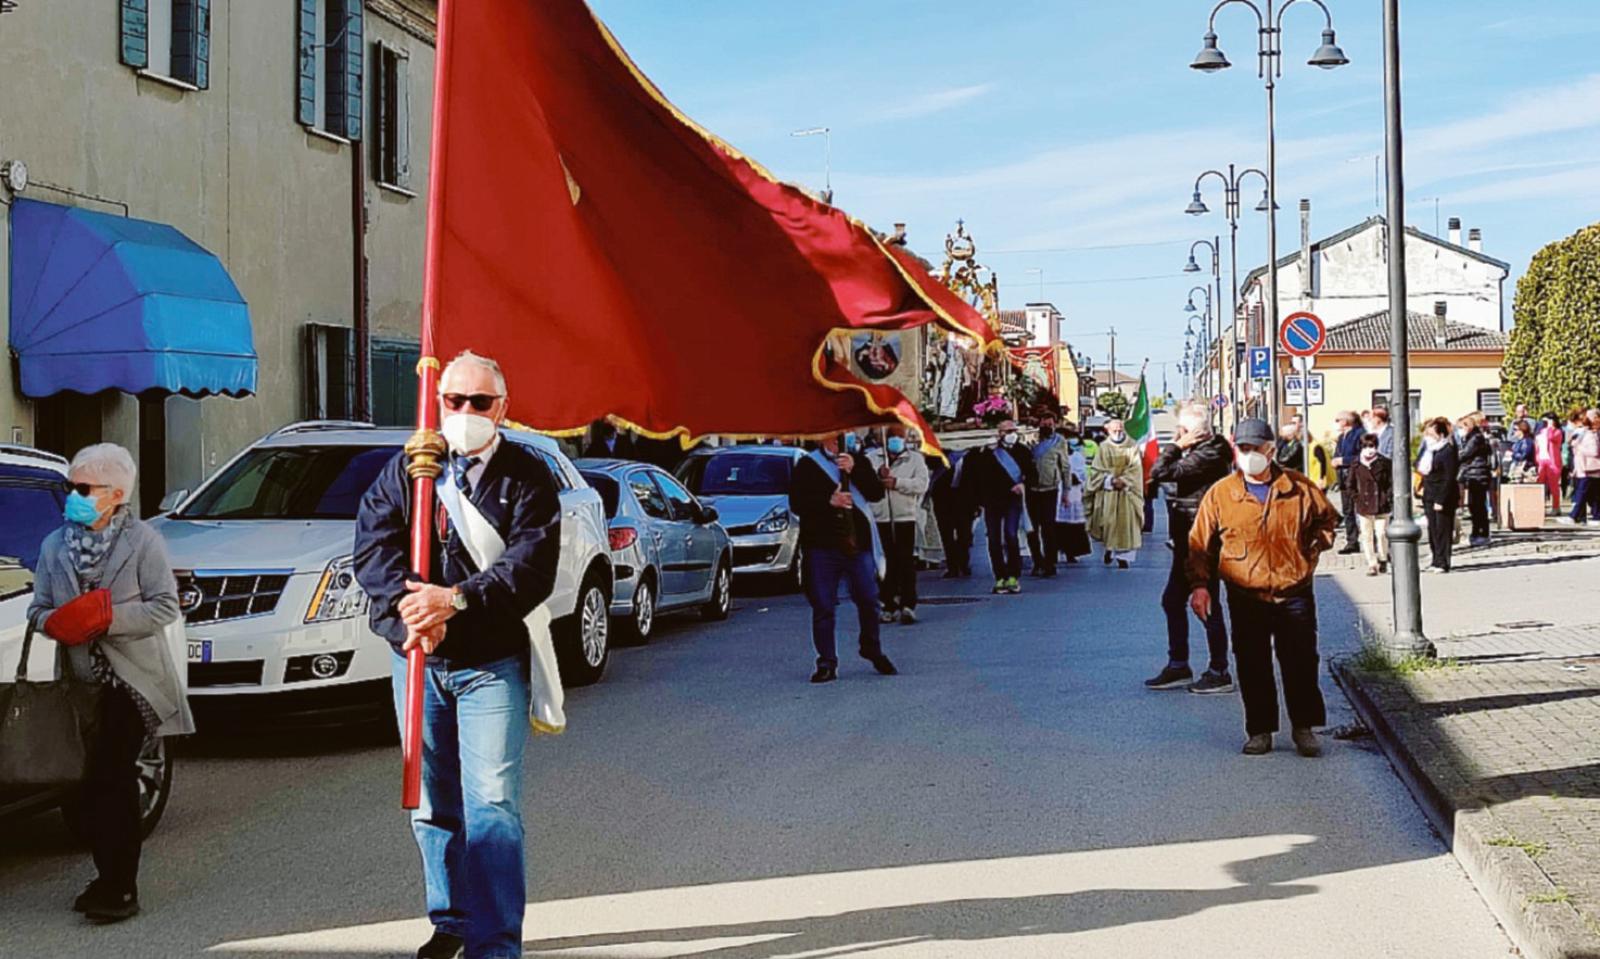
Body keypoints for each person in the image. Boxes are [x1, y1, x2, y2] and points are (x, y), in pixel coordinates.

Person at [353, 351, 562, 959]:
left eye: (480, 402)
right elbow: (373, 546)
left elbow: (531, 566)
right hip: (418, 657)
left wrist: (458, 601)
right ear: (437, 402)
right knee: (431, 804)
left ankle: (495, 942)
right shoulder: (411, 468)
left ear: (503, 407)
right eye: (454, 401)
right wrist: (411, 607)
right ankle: (452, 920)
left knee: (491, 805)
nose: (466, 413)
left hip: (490, 663)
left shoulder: (528, 475)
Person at [27, 443, 190, 924]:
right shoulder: (55, 546)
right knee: (88, 784)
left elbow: (165, 606)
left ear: (116, 494)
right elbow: (37, 609)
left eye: (83, 488)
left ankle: (120, 887)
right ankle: (105, 875)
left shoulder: (143, 543)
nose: (73, 497)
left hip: (134, 679)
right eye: (70, 488)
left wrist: (105, 618)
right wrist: (57, 621)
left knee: (113, 778)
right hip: (81, 683)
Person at [1187, 418, 1339, 757]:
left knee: (1300, 660)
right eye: (1244, 449)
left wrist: (1309, 551)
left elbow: (1327, 520)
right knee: (1252, 662)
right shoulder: (1222, 493)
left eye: (1257, 448)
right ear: (1235, 451)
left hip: (1293, 589)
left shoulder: (1298, 487)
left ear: (1271, 450)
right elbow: (1199, 544)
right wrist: (1200, 586)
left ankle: (1304, 728)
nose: (1251, 454)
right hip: (1245, 593)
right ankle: (1259, 731)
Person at [787, 432, 896, 682]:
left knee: (868, 598)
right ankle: (826, 661)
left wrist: (855, 469)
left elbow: (875, 493)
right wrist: (829, 501)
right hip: (822, 546)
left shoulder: (858, 460)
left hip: (857, 543)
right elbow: (797, 503)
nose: (838, 442)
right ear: (820, 439)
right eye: (833, 438)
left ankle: (871, 646)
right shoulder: (807, 465)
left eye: (841, 438)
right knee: (824, 605)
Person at [1145, 402, 1234, 693]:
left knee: (1206, 602)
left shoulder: (1210, 453)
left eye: (1182, 430)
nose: (1178, 435)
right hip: (1186, 538)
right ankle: (1178, 665)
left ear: (1191, 432)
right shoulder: (1201, 451)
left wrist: (1174, 446)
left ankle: (1219, 669)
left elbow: (1160, 471)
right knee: (1172, 600)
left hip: (1203, 538)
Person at [867, 426, 929, 625]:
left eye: (898, 437)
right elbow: (864, 485)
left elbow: (921, 484)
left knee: (905, 560)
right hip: (881, 518)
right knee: (885, 563)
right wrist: (878, 477)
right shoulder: (872, 458)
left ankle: (908, 604)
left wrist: (897, 482)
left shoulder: (915, 459)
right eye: (891, 437)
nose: (894, 440)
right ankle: (887, 603)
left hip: (905, 516)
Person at [969, 420, 1036, 593]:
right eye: (1007, 431)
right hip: (993, 501)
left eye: (1013, 430)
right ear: (999, 433)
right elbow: (980, 477)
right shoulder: (988, 453)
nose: (1011, 434)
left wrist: (1023, 485)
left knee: (1011, 536)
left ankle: (1013, 575)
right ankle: (1000, 577)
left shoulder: (1023, 451)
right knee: (994, 539)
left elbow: (1033, 475)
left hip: (1013, 501)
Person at [1087, 419, 1143, 569]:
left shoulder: (1132, 446)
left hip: (1126, 492)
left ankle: (1123, 558)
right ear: (1108, 431)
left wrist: (1124, 480)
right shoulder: (1104, 447)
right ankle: (1109, 549)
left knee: (1126, 524)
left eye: (1120, 430)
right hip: (1109, 491)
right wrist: (1110, 480)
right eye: (1114, 431)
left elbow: (1136, 468)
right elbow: (1097, 469)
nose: (1118, 433)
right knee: (1109, 522)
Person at [1026, 416, 1072, 577]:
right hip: (1030, 489)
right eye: (1044, 423)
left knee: (1048, 528)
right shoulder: (1030, 439)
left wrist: (1066, 491)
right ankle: (1037, 561)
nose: (1047, 426)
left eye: (1050, 424)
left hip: (1050, 489)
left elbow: (1065, 466)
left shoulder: (1059, 441)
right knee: (1031, 529)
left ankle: (1050, 562)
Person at [1417, 417, 1460, 573]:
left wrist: (1441, 499)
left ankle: (1443, 562)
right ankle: (1435, 559)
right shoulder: (1430, 450)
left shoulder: (1447, 450)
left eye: (1432, 433)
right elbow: (1420, 467)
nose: (1428, 436)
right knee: (1433, 529)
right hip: (1429, 493)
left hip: (1443, 495)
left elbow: (1449, 477)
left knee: (1443, 530)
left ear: (1440, 434)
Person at [1351, 434, 1393, 576]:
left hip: (1381, 504)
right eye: (1366, 447)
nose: (1370, 450)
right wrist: (1357, 498)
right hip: (1364, 505)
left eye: (1372, 446)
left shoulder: (1384, 462)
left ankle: (1383, 558)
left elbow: (1391, 482)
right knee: (1366, 535)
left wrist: (1387, 497)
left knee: (1381, 533)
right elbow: (1349, 484)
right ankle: (1372, 564)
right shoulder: (1356, 464)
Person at [930, 450, 977, 578]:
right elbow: (930, 466)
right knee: (947, 535)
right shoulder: (938, 453)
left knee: (965, 534)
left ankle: (963, 563)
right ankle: (952, 566)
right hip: (943, 500)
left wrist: (977, 502)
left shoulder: (972, 454)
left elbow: (977, 478)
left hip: (965, 500)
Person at [1055, 426, 1093, 564]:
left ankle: (1072, 552)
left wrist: (1076, 477)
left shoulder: (1076, 456)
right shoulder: (1053, 455)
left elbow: (1083, 474)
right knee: (1056, 523)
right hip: (1056, 492)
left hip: (1073, 492)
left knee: (1072, 524)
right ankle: (1055, 550)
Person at [1330, 411, 1366, 553]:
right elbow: (1337, 454)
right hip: (1343, 478)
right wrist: (1335, 460)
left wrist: (1343, 461)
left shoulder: (1360, 434)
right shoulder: (1341, 437)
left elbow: (1363, 455)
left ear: (1346, 421)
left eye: (1338, 420)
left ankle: (1369, 539)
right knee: (1347, 510)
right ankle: (1352, 541)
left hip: (1356, 477)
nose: (1337, 423)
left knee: (1361, 509)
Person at [1456, 414, 1493, 547]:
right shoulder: (1473, 437)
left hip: (1478, 474)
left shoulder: (1475, 438)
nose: (1459, 431)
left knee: (1477, 505)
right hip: (1474, 473)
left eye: (1461, 427)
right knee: (1474, 505)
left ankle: (1482, 533)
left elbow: (1465, 454)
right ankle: (1477, 532)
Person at [1562, 410, 1600, 525]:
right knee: (1592, 495)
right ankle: (1595, 516)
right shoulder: (1586, 433)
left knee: (1581, 493)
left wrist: (1578, 447)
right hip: (1583, 467)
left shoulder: (1591, 435)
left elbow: (1594, 451)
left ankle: (1574, 516)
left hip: (1589, 468)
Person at [1535, 413, 1565, 514]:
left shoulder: (1557, 432)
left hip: (1553, 460)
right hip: (1542, 460)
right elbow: (1538, 444)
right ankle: (1539, 505)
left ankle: (1556, 507)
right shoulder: (1542, 431)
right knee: (1540, 483)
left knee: (1553, 485)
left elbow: (1551, 438)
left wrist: (1551, 427)